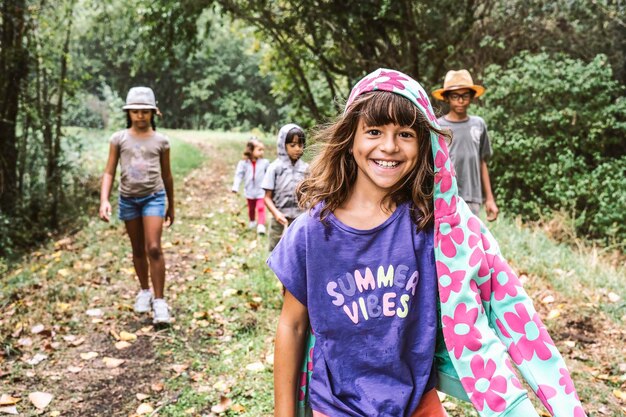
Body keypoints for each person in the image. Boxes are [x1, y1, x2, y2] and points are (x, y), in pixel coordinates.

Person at [268, 69, 585, 417]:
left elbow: (506, 304)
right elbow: (292, 324)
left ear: (424, 144)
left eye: (404, 134)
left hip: (418, 403)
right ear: (350, 137)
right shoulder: (311, 233)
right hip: (339, 405)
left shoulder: (437, 228)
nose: (388, 146)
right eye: (374, 131)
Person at [99, 86, 174, 324]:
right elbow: (109, 171)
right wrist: (104, 200)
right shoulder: (118, 139)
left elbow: (167, 175)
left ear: (153, 112)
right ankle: (144, 291)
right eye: (135, 111)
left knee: (153, 247)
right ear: (128, 113)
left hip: (154, 196)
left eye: (145, 111)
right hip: (128, 199)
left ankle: (160, 302)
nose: (140, 115)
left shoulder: (161, 141)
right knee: (138, 249)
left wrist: (171, 205)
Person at [432, 69, 499, 220]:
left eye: (464, 96)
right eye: (455, 96)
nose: (460, 101)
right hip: (445, 196)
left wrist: (489, 199)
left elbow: (482, 162)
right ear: (447, 98)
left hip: (472, 197)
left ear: (472, 97)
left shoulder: (478, 124)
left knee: (471, 241)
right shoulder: (438, 127)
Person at [262, 124, 308, 251]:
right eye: (292, 145)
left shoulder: (306, 169)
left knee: (298, 252)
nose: (298, 149)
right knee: (278, 253)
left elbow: (311, 194)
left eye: (300, 145)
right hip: (280, 221)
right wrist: (276, 214)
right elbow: (267, 198)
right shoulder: (275, 168)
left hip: (300, 221)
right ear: (283, 145)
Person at [231, 137, 269, 234]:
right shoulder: (243, 163)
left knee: (261, 207)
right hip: (249, 191)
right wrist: (235, 187)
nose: (262, 152)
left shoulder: (265, 163)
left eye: (263, 150)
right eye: (259, 150)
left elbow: (269, 175)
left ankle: (261, 225)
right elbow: (239, 175)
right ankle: (252, 221)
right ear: (251, 150)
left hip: (261, 190)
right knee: (251, 208)